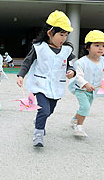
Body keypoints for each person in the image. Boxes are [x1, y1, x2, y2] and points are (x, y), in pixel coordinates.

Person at [17, 10, 76, 147]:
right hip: (40, 85)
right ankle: (38, 133)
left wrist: (71, 71)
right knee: (44, 109)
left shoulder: (66, 50)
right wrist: (21, 75)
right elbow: (27, 62)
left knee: (49, 110)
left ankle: (39, 120)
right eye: (61, 34)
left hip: (56, 86)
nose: (63, 38)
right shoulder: (39, 48)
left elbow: (72, 64)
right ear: (50, 33)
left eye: (66, 35)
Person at [68, 30, 104, 137]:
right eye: (97, 45)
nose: (101, 48)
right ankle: (79, 127)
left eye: (103, 46)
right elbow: (78, 76)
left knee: (84, 107)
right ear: (88, 47)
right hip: (81, 89)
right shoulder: (81, 62)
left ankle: (74, 119)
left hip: (93, 91)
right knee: (86, 107)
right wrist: (85, 84)